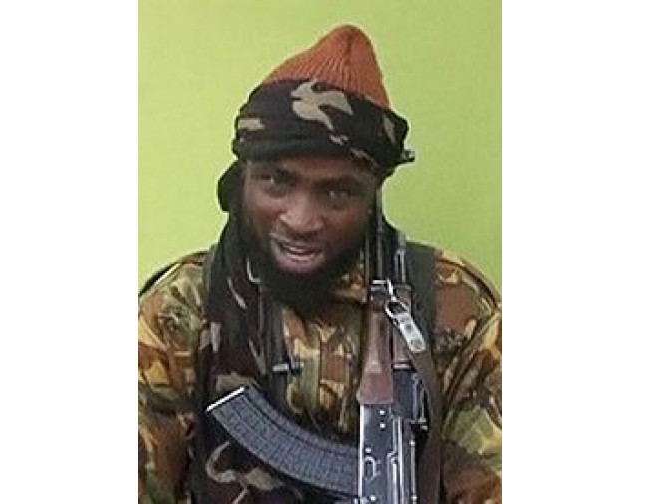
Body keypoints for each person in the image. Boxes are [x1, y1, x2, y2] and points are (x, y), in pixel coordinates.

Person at [138, 25, 501, 503]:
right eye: (276, 182)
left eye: (336, 192)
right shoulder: (181, 310)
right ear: (239, 181)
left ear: (373, 194)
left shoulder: (454, 309)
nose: (301, 220)